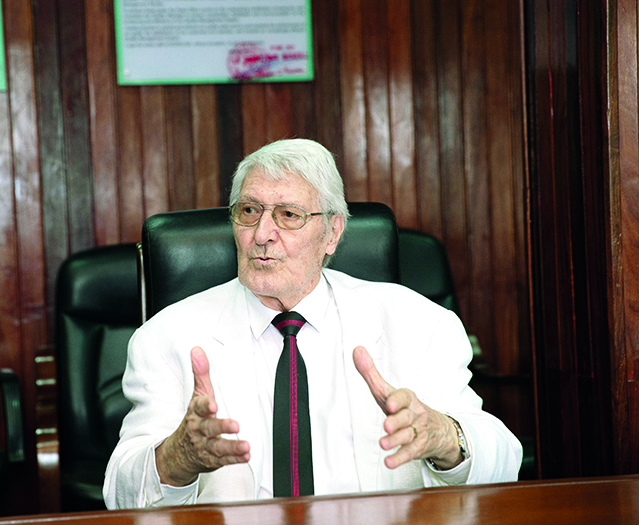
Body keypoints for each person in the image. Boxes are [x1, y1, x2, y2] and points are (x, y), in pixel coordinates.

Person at [103, 138, 522, 509]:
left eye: (288, 215)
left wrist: (446, 438)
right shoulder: (166, 337)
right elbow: (120, 495)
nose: (262, 233)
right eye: (249, 211)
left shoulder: (418, 323)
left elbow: (504, 462)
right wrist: (176, 459)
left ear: (332, 233)